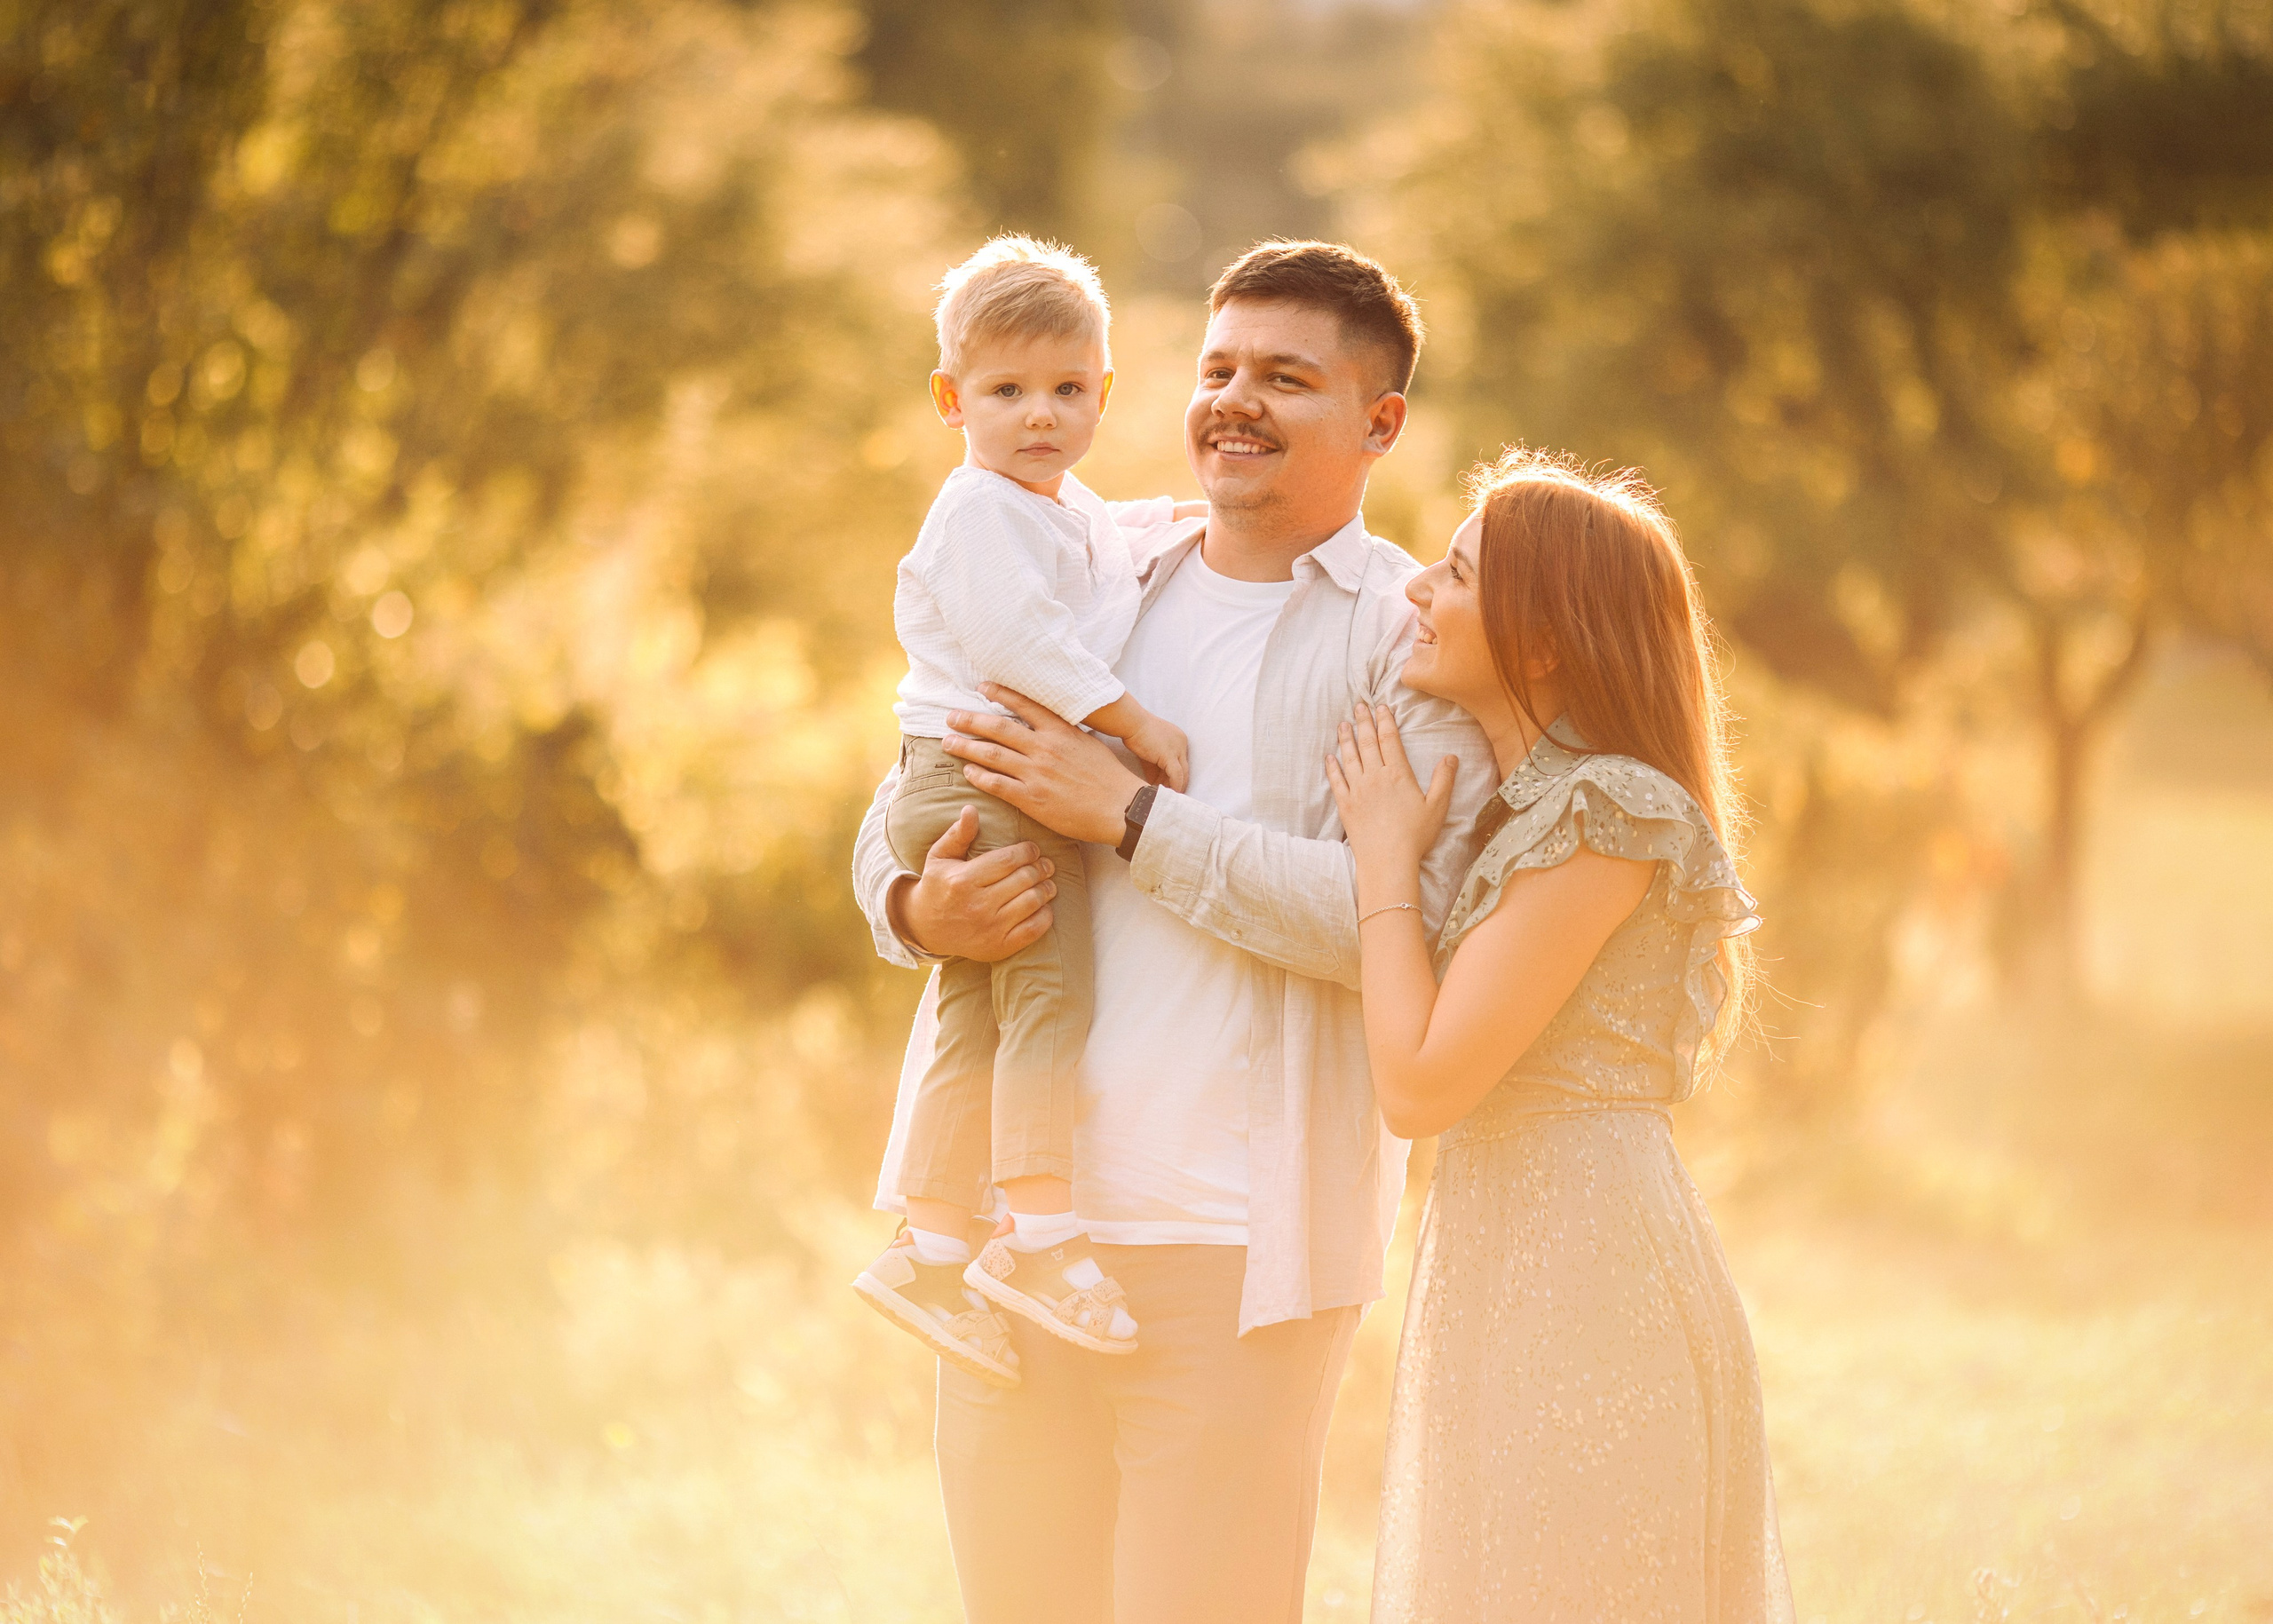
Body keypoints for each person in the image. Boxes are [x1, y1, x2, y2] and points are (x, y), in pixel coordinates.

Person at [849, 241, 1497, 1623]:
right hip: (1010, 1248)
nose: (1235, 401)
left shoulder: (1405, 643)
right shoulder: (1088, 555)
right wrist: (913, 904)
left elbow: (1406, 929)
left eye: (1286, 377)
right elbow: (913, 779)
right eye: (1216, 369)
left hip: (1235, 1256)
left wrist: (1134, 819)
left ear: (1380, 421)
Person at [1324, 448, 1795, 1621]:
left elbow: (1423, 1083)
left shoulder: (1607, 809)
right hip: (1506, 1251)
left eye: (1458, 571)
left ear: (1542, 639)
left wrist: (1383, 861)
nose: (1416, 590)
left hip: (1588, 1274)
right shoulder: (1530, 807)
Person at [851, 235, 1203, 1385]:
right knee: (1052, 993)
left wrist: (1180, 528)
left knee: (981, 1010)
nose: (1039, 415)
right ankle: (1042, 1236)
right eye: (1006, 392)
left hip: (957, 776)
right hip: (976, 777)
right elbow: (1018, 640)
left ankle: (935, 1244)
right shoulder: (979, 513)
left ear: (1104, 391)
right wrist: (1132, 719)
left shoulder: (1055, 506)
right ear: (953, 402)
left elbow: (1110, 552)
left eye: (1065, 390)